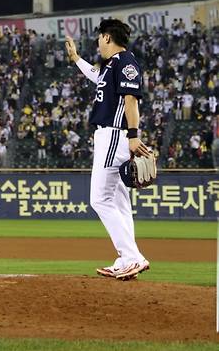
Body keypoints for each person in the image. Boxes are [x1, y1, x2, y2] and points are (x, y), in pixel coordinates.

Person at [65, 19, 152, 280]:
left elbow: (130, 99)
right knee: (119, 202)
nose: (98, 43)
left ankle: (132, 257)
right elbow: (96, 76)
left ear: (106, 38)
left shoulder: (126, 61)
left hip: (114, 135)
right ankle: (128, 259)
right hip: (112, 136)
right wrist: (77, 59)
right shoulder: (113, 64)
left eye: (99, 38)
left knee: (99, 199)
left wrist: (134, 135)